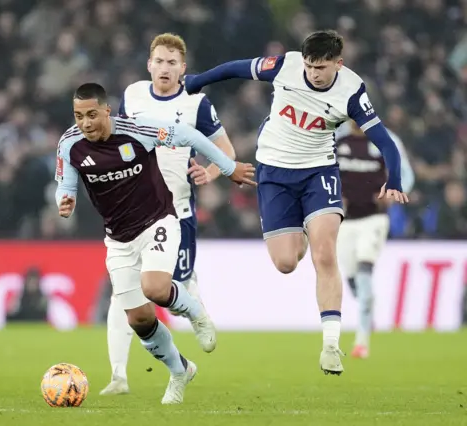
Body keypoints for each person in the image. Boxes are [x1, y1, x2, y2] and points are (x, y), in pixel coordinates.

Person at [184, 30, 409, 375]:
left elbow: (385, 142)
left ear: (338, 63)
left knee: (324, 253)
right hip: (274, 170)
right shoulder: (286, 66)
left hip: (319, 171)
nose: (314, 73)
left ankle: (331, 345)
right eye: (309, 65)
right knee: (286, 262)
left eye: (321, 67)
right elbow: (236, 68)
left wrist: (393, 180)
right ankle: (301, 230)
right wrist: (198, 81)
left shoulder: (351, 90)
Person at [56, 82, 254, 404]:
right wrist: (64, 200)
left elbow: (189, 136)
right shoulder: (69, 144)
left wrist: (229, 168)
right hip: (118, 240)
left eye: (92, 114)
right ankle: (180, 370)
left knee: (156, 289)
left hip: (158, 221)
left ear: (108, 110)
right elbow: (66, 185)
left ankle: (195, 312)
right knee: (139, 320)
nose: (86, 123)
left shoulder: (138, 130)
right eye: (79, 116)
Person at [100, 33, 236, 396]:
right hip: (134, 212)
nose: (165, 68)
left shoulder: (197, 103)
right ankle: (119, 375)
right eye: (159, 61)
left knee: (169, 290)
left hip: (177, 212)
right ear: (149, 65)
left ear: (183, 69)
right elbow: (121, 142)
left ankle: (195, 310)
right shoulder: (133, 95)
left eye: (172, 63)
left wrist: (210, 171)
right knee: (125, 296)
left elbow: (226, 149)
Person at [335, 120, 414, 358]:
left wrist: (393, 192)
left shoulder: (385, 139)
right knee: (351, 280)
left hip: (374, 219)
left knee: (364, 271)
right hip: (343, 222)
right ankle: (368, 307)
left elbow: (406, 173)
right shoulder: (335, 136)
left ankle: (361, 342)